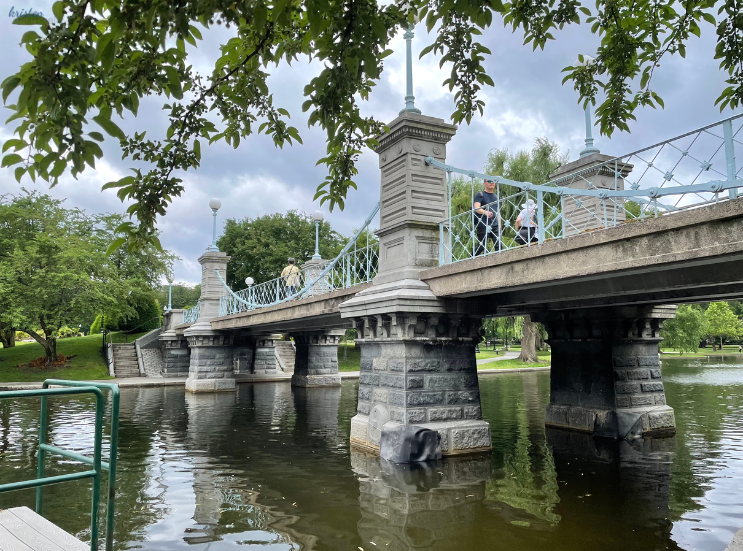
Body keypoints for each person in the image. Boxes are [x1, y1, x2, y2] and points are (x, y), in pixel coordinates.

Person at [473, 179, 501, 256]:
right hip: (483, 225)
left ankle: (499, 263)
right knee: (481, 246)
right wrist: (485, 212)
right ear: (484, 183)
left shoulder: (496, 197)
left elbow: (498, 213)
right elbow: (476, 208)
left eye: (493, 181)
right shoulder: (480, 195)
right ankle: (470, 259)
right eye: (489, 181)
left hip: (495, 225)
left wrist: (500, 227)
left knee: (499, 246)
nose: (492, 182)